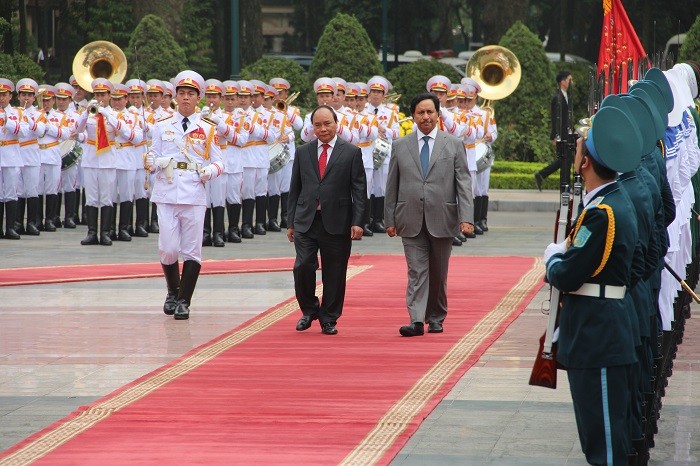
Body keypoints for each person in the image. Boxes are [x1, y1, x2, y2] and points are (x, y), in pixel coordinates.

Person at [544, 106, 642, 465]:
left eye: (579, 147)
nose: (575, 153)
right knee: (598, 436)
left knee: (604, 442)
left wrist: (553, 258)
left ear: (585, 162)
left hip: (598, 335)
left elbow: (568, 275)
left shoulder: (603, 213)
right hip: (600, 329)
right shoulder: (608, 202)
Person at [384, 93, 474, 337]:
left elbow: (464, 183)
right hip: (409, 217)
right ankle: (415, 320)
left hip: (443, 217)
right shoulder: (400, 145)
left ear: (437, 114)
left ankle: (436, 316)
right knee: (416, 270)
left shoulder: (453, 144)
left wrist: (466, 217)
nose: (425, 116)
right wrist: (389, 219)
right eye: (420, 112)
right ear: (413, 115)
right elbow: (391, 184)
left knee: (438, 271)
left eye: (430, 112)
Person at [145, 70, 224, 320]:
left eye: (191, 94)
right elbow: (152, 156)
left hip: (193, 192)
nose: (186, 98)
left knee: (191, 250)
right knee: (168, 249)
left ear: (198, 97)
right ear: (175, 96)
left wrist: (208, 171)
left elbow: (220, 162)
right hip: (166, 192)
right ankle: (172, 289)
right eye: (182, 93)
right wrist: (151, 161)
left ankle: (184, 301)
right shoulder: (161, 127)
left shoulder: (208, 129)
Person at [286, 105, 366, 335]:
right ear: (312, 127)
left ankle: (329, 317)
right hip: (306, 220)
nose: (322, 129)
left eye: (327, 124)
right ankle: (309, 310)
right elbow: (295, 188)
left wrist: (358, 222)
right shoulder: (303, 152)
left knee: (335, 271)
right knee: (302, 266)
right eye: (318, 125)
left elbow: (359, 190)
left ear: (336, 124)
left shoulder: (351, 152)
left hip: (338, 221)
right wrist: (290, 222)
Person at [535, 71, 573, 190]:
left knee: (565, 159)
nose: (571, 83)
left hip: (567, 132)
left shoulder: (566, 96)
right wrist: (555, 135)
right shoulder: (557, 97)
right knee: (565, 159)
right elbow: (555, 118)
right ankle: (563, 186)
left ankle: (542, 175)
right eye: (569, 80)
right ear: (562, 82)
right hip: (560, 134)